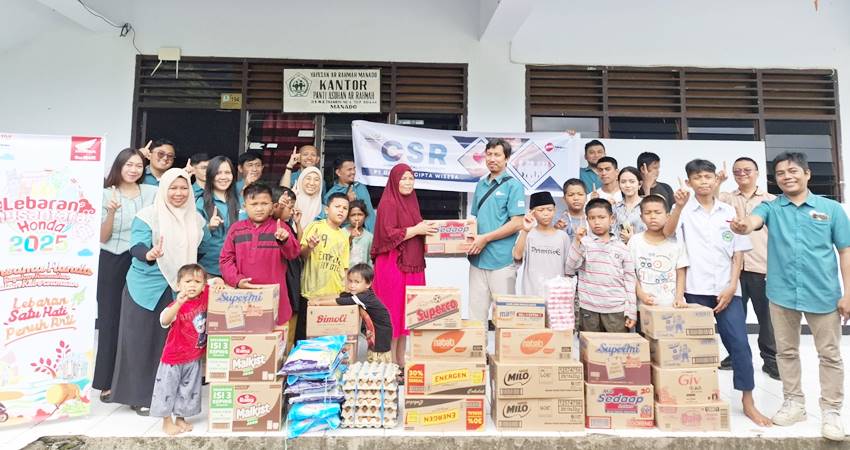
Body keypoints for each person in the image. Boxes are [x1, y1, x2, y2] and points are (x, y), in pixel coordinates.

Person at [730, 152, 850, 439]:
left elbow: (845, 251)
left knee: (830, 354)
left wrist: (848, 294)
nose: (787, 176)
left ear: (807, 174)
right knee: (785, 352)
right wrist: (743, 225)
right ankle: (794, 402)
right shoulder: (771, 208)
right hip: (782, 293)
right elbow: (753, 221)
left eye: (793, 171)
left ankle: (832, 410)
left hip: (823, 293)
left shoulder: (831, 209)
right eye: (781, 173)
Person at [677, 158, 770, 426]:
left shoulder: (728, 210)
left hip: (728, 289)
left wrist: (731, 286)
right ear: (689, 182)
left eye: (708, 177)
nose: (704, 182)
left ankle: (748, 401)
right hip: (695, 290)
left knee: (739, 344)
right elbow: (678, 252)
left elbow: (738, 253)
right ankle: (697, 396)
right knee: (695, 350)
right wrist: (681, 293)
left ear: (715, 180)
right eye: (698, 177)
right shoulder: (682, 211)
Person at [110, 168, 205, 416]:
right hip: (146, 287)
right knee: (142, 342)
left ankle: (166, 396)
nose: (178, 193)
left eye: (184, 188)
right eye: (173, 188)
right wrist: (149, 254)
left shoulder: (195, 218)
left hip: (179, 288)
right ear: (163, 189)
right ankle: (139, 396)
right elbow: (137, 246)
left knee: (169, 344)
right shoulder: (148, 216)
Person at [95, 147, 158, 403]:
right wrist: (110, 211)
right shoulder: (104, 194)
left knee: (135, 322)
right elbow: (102, 236)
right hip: (111, 259)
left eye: (138, 166)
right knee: (110, 320)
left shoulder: (153, 193)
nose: (133, 170)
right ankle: (107, 381)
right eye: (128, 165)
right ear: (118, 167)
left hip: (141, 261)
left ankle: (133, 382)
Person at [714, 157, 780, 379]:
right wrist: (718, 182)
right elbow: (708, 204)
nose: (742, 174)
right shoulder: (725, 198)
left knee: (767, 319)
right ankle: (735, 356)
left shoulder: (771, 201)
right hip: (734, 270)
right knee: (733, 317)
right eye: (737, 171)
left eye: (747, 170)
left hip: (763, 267)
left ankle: (771, 360)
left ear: (757, 172)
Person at [371, 164, 436, 365]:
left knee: (407, 314)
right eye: (403, 178)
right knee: (393, 313)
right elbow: (388, 233)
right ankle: (388, 362)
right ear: (394, 180)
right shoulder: (389, 203)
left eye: (411, 178)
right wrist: (417, 230)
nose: (408, 182)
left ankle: (400, 361)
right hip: (393, 265)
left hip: (412, 265)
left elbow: (418, 229)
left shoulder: (411, 202)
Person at [219, 183, 300, 326]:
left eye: (264, 203)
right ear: (245, 206)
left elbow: (293, 254)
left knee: (275, 345)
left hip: (276, 302)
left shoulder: (280, 227)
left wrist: (285, 239)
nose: (259, 208)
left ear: (272, 206)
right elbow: (226, 260)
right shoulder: (236, 229)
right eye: (254, 204)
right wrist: (237, 280)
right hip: (244, 300)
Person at [150, 264, 216, 435]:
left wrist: (220, 282)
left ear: (203, 285)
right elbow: (164, 320)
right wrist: (178, 304)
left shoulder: (205, 296)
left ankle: (181, 418)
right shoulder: (176, 304)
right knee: (167, 389)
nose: (192, 285)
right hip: (173, 358)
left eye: (197, 281)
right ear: (178, 285)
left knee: (189, 390)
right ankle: (166, 422)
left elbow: (216, 283)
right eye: (187, 281)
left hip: (194, 356)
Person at [468, 139, 525, 322]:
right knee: (476, 314)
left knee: (505, 316)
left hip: (502, 260)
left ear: (506, 159)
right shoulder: (480, 185)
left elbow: (517, 223)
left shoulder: (513, 186)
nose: (492, 159)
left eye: (497, 155)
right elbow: (475, 220)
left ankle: (504, 352)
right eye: (489, 154)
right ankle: (479, 351)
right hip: (478, 259)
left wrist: (485, 238)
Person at [565, 198, 636, 332]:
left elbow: (630, 280)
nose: (597, 222)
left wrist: (631, 310)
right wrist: (577, 242)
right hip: (588, 309)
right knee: (589, 350)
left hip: (616, 309)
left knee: (617, 350)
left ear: (612, 219)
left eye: (601, 217)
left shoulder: (622, 247)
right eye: (592, 218)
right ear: (587, 220)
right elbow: (569, 268)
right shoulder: (583, 243)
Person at [308, 264, 393, 363]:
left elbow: (340, 302)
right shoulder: (358, 293)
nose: (352, 285)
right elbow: (340, 296)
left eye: (357, 282)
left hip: (381, 331)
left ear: (368, 284)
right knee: (372, 351)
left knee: (378, 356)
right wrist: (318, 299)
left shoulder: (364, 297)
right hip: (375, 329)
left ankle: (380, 375)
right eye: (350, 281)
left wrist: (318, 303)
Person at [298, 193, 351, 337]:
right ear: (327, 210)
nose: (341, 210)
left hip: (333, 295)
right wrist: (309, 246)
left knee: (328, 335)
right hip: (311, 293)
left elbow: (344, 267)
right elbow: (302, 254)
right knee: (307, 336)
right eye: (337, 206)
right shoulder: (315, 227)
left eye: (345, 208)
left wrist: (344, 292)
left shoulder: (344, 236)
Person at [629, 195, 688, 308]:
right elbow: (630, 272)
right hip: (644, 306)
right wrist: (641, 294)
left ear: (667, 216)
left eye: (657, 212)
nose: (652, 217)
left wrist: (679, 298)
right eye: (648, 213)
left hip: (672, 305)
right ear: (641, 217)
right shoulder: (635, 241)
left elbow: (681, 272)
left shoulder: (676, 242)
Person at [512, 191, 569, 297]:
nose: (546, 213)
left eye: (550, 209)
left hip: (556, 296)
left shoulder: (562, 236)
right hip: (532, 294)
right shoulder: (528, 234)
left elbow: (568, 267)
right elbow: (517, 256)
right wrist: (525, 230)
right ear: (532, 212)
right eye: (541, 210)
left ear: (555, 210)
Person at [196, 156, 240, 277]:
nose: (223, 177)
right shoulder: (200, 203)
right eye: (218, 173)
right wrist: (209, 227)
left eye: (227, 172)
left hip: (238, 268)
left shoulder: (241, 201)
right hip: (209, 268)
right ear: (210, 176)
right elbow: (192, 236)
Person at [274, 187, 303, 346]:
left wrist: (298, 224)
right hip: (285, 276)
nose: (291, 211)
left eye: (293, 207)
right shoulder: (276, 225)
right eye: (289, 207)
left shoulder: (288, 225)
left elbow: (297, 247)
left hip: (293, 273)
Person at [324, 156, 376, 232]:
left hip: (368, 235)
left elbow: (370, 213)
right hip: (345, 236)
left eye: (354, 169)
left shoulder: (361, 187)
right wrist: (348, 201)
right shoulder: (331, 195)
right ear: (338, 172)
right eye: (349, 169)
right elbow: (332, 222)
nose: (353, 172)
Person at [613, 167, 645, 244]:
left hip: (641, 251)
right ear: (619, 184)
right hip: (619, 252)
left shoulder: (647, 206)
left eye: (632, 181)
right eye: (623, 182)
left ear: (639, 184)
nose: (627, 185)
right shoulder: (615, 208)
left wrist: (632, 240)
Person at [293, 166, 325, 233]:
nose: (312, 183)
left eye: (316, 180)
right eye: (308, 178)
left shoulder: (324, 211)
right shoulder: (291, 205)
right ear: (301, 180)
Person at [347, 199, 373, 267]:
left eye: (360, 214)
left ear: (365, 216)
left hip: (362, 276)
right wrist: (350, 238)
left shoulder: (369, 237)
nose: (356, 218)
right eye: (353, 215)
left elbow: (370, 260)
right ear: (347, 217)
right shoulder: (341, 233)